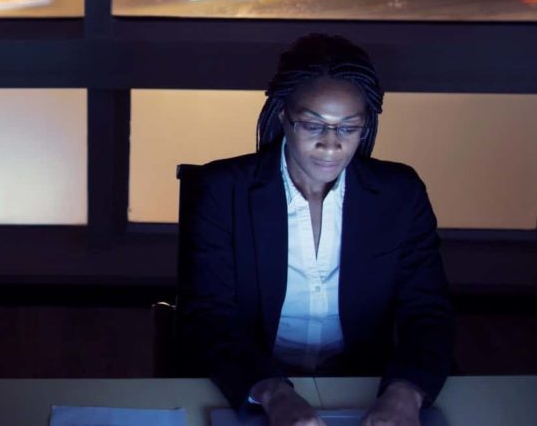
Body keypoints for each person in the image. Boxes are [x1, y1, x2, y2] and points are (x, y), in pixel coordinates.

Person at [177, 34, 454, 426]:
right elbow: (207, 316)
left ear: (365, 127)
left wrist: (406, 392)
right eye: (312, 125)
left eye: (348, 128)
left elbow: (428, 311)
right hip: (252, 385)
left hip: (363, 387)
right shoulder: (224, 190)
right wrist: (273, 392)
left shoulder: (400, 194)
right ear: (282, 116)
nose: (330, 145)